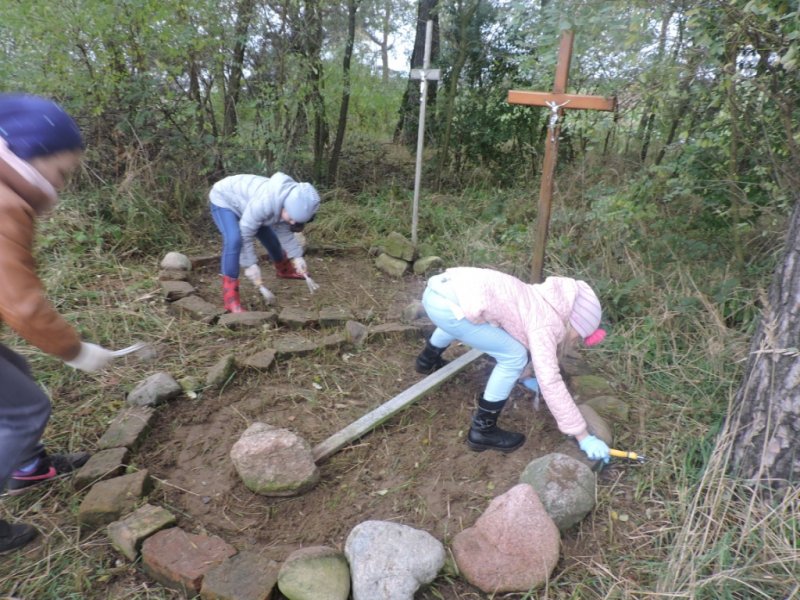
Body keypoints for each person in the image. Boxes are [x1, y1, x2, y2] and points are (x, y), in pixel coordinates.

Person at [0, 94, 118, 553]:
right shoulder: (5, 203)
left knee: (20, 378)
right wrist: (76, 350)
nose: (62, 184)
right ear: (30, 153)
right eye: (63, 171)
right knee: (25, 409)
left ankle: (28, 468)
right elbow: (21, 304)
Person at [414, 267, 609, 460]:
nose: (576, 341)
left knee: (467, 317)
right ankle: (483, 430)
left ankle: (427, 360)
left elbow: (512, 331)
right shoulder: (547, 323)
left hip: (437, 292)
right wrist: (583, 436)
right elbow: (549, 379)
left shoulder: (538, 298)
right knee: (514, 356)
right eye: (579, 335)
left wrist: (525, 374)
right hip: (449, 309)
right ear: (575, 322)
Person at [208, 173, 321, 312]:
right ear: (285, 206)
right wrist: (250, 264)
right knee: (234, 239)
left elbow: (285, 233)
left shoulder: (289, 204)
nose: (292, 222)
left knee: (271, 238)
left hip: (248, 205)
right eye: (291, 218)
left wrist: (297, 257)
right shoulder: (264, 203)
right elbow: (246, 234)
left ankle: (284, 270)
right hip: (224, 199)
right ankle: (230, 298)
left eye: (295, 221)